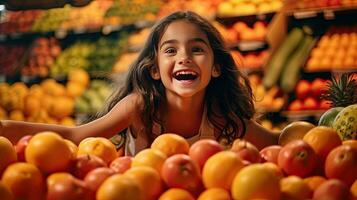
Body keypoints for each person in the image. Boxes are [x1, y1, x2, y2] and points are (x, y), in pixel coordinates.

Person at [0, 11, 279, 155]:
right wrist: (5, 128)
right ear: (155, 70)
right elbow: (76, 136)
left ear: (216, 67)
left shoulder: (219, 113)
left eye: (197, 49)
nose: (184, 58)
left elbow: (279, 143)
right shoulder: (141, 106)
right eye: (171, 50)